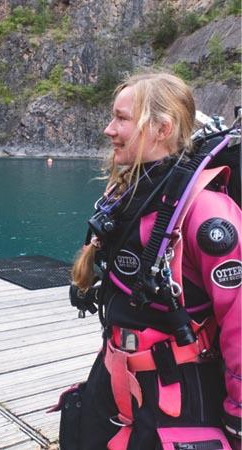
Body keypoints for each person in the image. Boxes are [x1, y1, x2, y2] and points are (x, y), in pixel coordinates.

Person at [57, 73, 241, 449]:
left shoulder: (205, 211)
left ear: (161, 128)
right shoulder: (126, 194)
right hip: (114, 378)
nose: (109, 130)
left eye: (122, 119)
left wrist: (238, 410)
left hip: (180, 397)